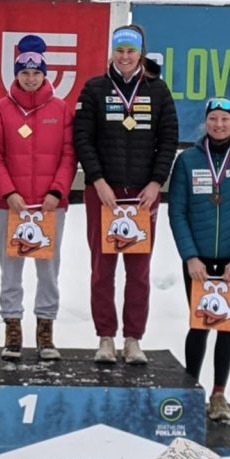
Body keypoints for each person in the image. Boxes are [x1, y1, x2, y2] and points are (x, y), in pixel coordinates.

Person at [73, 24, 178, 365]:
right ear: (112, 53)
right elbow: (82, 139)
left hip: (143, 195)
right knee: (102, 270)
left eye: (131, 51)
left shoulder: (158, 91)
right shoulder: (95, 88)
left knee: (139, 272)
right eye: (119, 51)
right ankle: (105, 336)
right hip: (104, 193)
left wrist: (156, 182)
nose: (125, 57)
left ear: (141, 54)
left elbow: (168, 140)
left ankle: (133, 338)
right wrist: (98, 180)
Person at [168, 97, 230, 421]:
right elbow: (177, 212)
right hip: (198, 262)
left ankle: (219, 394)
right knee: (199, 325)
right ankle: (191, 390)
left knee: (226, 326)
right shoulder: (188, 159)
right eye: (213, 119)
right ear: (205, 122)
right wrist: (190, 257)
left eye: (225, 119)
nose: (219, 124)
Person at [0, 34, 76, 361]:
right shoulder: (0, 110)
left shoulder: (60, 109)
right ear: (16, 74)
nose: (31, 78)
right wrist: (8, 192)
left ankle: (45, 329)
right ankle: (12, 328)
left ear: (45, 74)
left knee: (48, 270)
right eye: (24, 72)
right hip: (12, 206)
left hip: (49, 206)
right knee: (10, 268)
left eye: (36, 73)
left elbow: (69, 155)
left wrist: (57, 191)